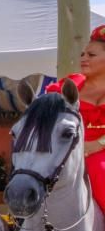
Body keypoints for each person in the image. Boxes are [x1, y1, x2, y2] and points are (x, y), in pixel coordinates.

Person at [44, 23, 105, 215]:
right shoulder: (69, 85)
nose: (84, 59)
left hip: (100, 153)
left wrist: (98, 143)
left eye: (91, 55)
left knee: (99, 169)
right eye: (83, 54)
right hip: (67, 150)